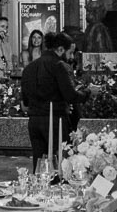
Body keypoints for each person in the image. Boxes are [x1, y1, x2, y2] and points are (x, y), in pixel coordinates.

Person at [20, 31, 90, 171]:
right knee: (60, 165)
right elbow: (71, 96)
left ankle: (38, 190)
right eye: (70, 53)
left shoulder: (29, 68)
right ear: (60, 49)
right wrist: (88, 92)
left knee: (39, 164)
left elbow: (25, 101)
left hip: (34, 122)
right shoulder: (59, 66)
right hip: (55, 121)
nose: (70, 57)